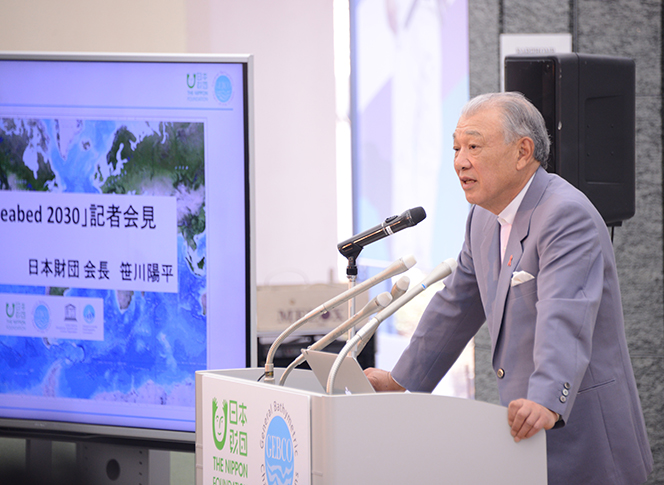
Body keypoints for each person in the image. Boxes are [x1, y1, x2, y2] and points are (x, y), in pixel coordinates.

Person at [365, 92, 653, 484]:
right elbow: (455, 307)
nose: (460, 161)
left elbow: (563, 315)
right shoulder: (482, 219)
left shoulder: (565, 215)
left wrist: (546, 398)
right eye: (456, 148)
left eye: (474, 146)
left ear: (522, 152)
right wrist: (401, 381)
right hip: (525, 438)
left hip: (585, 440)